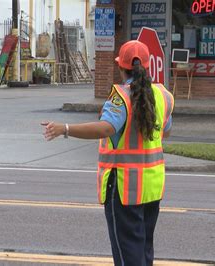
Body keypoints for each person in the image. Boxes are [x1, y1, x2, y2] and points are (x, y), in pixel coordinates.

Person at [42, 40, 174, 266]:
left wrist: (65, 129)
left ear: (121, 67)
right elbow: (166, 131)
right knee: (143, 251)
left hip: (123, 188)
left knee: (127, 255)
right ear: (147, 66)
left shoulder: (121, 97)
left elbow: (106, 128)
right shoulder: (163, 95)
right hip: (152, 187)